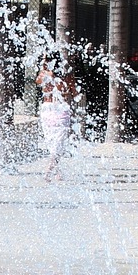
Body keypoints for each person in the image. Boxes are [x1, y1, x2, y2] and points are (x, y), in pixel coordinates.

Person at [37, 54, 79, 182]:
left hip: (47, 109)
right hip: (60, 109)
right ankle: (51, 171)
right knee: (58, 143)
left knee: (52, 143)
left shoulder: (43, 75)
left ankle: (54, 170)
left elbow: (38, 82)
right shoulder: (67, 76)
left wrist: (44, 67)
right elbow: (75, 93)